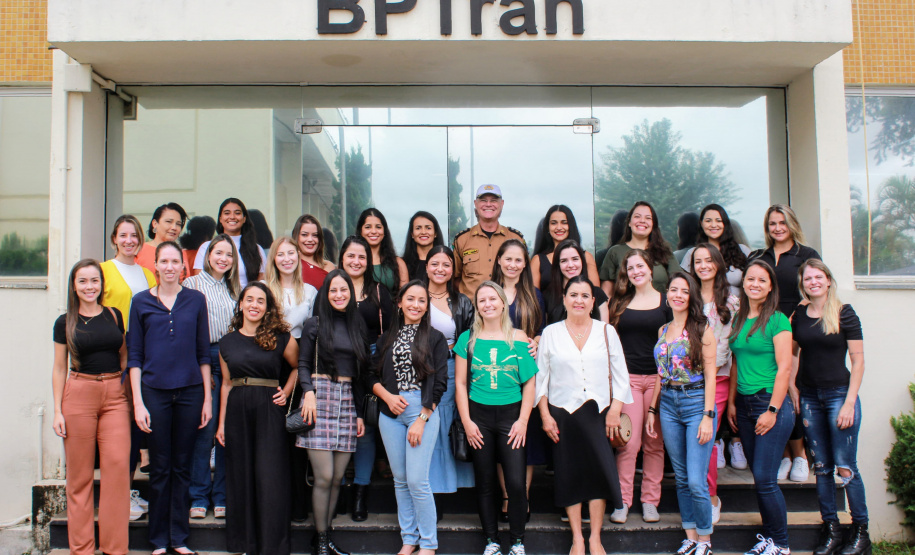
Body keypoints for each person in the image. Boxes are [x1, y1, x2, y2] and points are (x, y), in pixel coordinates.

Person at [536, 275, 632, 555]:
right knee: (569, 474)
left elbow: (620, 375)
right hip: (562, 413)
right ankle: (577, 537)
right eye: (573, 295)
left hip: (599, 413)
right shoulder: (551, 333)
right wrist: (545, 416)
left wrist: (615, 411)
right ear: (564, 299)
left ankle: (595, 538)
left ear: (593, 302)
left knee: (598, 473)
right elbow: (541, 378)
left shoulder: (606, 331)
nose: (579, 300)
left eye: (585, 296)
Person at [127, 241, 212, 555]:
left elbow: (203, 353)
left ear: (183, 266)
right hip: (154, 394)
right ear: (156, 265)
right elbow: (134, 357)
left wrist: (206, 400)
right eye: (164, 261)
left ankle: (179, 538)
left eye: (175, 261)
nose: (169, 267)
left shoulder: (195, 300)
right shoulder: (140, 303)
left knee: (182, 466)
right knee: (160, 467)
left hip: (190, 393)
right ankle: (158, 540)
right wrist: (138, 401)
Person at [52, 259, 131, 555]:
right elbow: (59, 368)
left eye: (94, 280)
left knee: (117, 469)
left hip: (113, 396)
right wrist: (58, 410)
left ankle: (114, 548)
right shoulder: (65, 322)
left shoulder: (114, 315)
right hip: (79, 394)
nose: (89, 287)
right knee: (80, 476)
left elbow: (123, 356)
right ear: (74, 285)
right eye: (83, 281)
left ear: (102, 284)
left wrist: (123, 391)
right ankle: (82, 549)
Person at [792, 260, 870, 555]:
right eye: (807, 278)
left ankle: (861, 533)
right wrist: (793, 388)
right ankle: (831, 531)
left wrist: (849, 402)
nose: (813, 281)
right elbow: (791, 353)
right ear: (803, 284)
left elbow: (858, 360)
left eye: (817, 277)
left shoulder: (844, 313)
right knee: (822, 468)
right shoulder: (799, 314)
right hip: (810, 398)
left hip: (839, 396)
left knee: (845, 467)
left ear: (827, 281)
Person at [455, 281, 538, 555]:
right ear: (476, 307)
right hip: (478, 418)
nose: (488, 304)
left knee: (516, 483)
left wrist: (523, 420)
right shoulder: (468, 339)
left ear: (503, 303)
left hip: (512, 417)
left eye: (493, 299)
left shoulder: (518, 338)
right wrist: (467, 422)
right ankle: (491, 541)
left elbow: (529, 383)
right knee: (486, 481)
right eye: (482, 300)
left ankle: (517, 542)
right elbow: (460, 384)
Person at [216, 282, 299, 555]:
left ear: (267, 307)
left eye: (260, 300)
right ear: (240, 304)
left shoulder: (281, 337)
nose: (254, 304)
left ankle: (272, 546)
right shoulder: (226, 342)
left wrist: (286, 392)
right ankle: (244, 542)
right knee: (241, 475)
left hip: (268, 409)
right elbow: (227, 384)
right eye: (249, 299)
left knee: (270, 475)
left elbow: (299, 368)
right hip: (237, 410)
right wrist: (221, 425)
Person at [371, 280, 450, 555]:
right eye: (411, 299)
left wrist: (421, 418)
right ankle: (409, 540)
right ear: (400, 303)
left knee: (418, 480)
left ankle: (428, 544)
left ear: (427, 307)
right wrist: (388, 397)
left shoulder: (436, 337)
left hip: (421, 409)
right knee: (401, 480)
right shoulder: (387, 338)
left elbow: (440, 381)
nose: (416, 305)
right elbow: (371, 375)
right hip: (390, 412)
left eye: (422, 301)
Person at [297, 270, 370, 555]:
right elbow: (303, 363)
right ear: (325, 294)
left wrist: (361, 413)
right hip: (319, 396)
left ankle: (323, 539)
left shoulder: (357, 324)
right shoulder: (314, 324)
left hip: (348, 400)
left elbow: (361, 373)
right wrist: (308, 392)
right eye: (333, 291)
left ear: (351, 294)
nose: (339, 295)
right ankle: (322, 538)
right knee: (324, 476)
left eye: (344, 290)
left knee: (339, 476)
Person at [645, 272, 718, 555]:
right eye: (673, 290)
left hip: (696, 401)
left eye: (684, 291)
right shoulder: (662, 331)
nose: (677, 295)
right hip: (668, 403)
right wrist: (652, 409)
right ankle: (690, 536)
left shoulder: (702, 329)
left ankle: (705, 540)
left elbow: (711, 376)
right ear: (667, 295)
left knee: (697, 479)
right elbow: (660, 374)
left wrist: (708, 416)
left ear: (691, 297)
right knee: (682, 477)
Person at [726, 260, 794, 555]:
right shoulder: (739, 319)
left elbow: (785, 368)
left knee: (766, 480)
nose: (754, 284)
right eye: (750, 279)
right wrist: (730, 402)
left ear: (770, 287)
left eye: (761, 280)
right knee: (759, 477)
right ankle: (769, 536)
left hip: (769, 402)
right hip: (744, 403)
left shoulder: (778, 320)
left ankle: (781, 544)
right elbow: (737, 362)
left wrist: (773, 410)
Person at [749, 204, 819, 482]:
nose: (777, 228)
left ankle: (800, 455)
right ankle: (785, 457)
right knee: (768, 390)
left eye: (782, 222)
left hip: (791, 327)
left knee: (789, 390)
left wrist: (790, 319)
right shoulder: (760, 256)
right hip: (762, 327)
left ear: (791, 223)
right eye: (772, 224)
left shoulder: (806, 255)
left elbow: (812, 290)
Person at [606, 249, 672, 524]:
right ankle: (622, 501)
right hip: (629, 380)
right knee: (628, 443)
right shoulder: (620, 303)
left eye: (640, 266)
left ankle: (650, 502)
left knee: (654, 443)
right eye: (630, 268)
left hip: (659, 380)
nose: (636, 271)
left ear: (650, 267)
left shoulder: (667, 302)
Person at [99, 214, 157, 520]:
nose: (129, 240)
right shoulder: (103, 271)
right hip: (114, 358)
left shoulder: (148, 275)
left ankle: (128, 489)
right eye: (123, 235)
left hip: (144, 357)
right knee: (119, 430)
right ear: (114, 239)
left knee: (137, 430)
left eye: (134, 235)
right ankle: (119, 495)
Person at [182, 234, 241, 519]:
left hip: (228, 359)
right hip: (201, 358)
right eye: (219, 253)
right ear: (208, 256)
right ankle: (198, 496)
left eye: (229, 254)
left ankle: (221, 495)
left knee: (225, 432)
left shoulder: (235, 290)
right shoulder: (191, 284)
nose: (223, 259)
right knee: (204, 431)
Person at [338, 235, 395, 520]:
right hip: (338, 364)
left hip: (371, 363)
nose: (356, 261)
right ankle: (334, 490)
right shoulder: (333, 288)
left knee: (366, 428)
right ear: (342, 258)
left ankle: (360, 492)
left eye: (362, 257)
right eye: (351, 256)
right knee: (339, 423)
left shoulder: (379, 291)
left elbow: (392, 330)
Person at [491, 239, 545, 522]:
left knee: (527, 438)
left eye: (518, 260)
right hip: (496, 375)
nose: (513, 264)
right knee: (503, 438)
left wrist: (536, 340)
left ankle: (521, 495)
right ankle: (507, 496)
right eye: (508, 259)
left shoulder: (533, 294)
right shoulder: (488, 293)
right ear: (499, 260)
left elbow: (541, 330)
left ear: (525, 264)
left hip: (525, 375)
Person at [689, 243, 741, 522]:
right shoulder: (688, 297)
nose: (704, 265)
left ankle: (710, 496)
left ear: (718, 264)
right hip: (687, 380)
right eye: (698, 261)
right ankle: (695, 495)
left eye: (709, 260)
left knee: (704, 438)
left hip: (717, 378)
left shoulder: (731, 302)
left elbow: (726, 346)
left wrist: (707, 369)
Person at [424, 246, 476, 497]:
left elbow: (470, 337)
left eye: (446, 265)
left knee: (449, 422)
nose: (440, 269)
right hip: (421, 369)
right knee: (428, 422)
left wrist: (456, 346)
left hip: (453, 367)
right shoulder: (416, 296)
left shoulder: (462, 301)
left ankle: (456, 483)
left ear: (453, 271)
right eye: (435, 263)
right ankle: (433, 486)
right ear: (426, 267)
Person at [452, 184, 524, 297]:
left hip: (506, 309)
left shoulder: (515, 239)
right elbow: (454, 278)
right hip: (471, 311)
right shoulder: (462, 240)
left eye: (494, 200)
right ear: (476, 204)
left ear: (502, 204)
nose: (488, 204)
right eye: (483, 200)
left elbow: (525, 276)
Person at [600, 202, 681, 297]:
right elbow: (607, 292)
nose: (642, 221)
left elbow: (678, 284)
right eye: (637, 216)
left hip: (660, 310)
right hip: (623, 310)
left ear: (653, 224)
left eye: (648, 218)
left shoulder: (664, 252)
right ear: (629, 222)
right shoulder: (615, 252)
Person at [194, 198, 267, 288]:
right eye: (227, 213)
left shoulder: (256, 249)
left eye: (237, 213)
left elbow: (261, 283)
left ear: (244, 219)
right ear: (220, 219)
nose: (232, 217)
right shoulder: (206, 247)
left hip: (246, 300)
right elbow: (198, 282)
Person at [680, 205, 750, 293]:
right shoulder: (692, 253)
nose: (713, 225)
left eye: (719, 220)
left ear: (725, 223)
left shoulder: (742, 250)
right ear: (701, 224)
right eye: (708, 221)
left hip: (739, 305)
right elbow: (685, 286)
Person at [530, 205, 599, 291]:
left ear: (571, 225)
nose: (559, 227)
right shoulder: (538, 260)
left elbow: (596, 293)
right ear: (547, 227)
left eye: (564, 222)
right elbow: (533, 297)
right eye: (554, 223)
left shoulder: (586, 257)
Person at [265, 236, 319, 338]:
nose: (287, 259)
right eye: (280, 255)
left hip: (300, 348)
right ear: (274, 259)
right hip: (270, 347)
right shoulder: (264, 288)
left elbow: (312, 328)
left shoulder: (310, 291)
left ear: (298, 255)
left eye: (291, 253)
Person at [546, 239, 609, 324]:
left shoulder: (598, 293)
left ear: (582, 261)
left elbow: (605, 331)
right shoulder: (548, 295)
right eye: (564, 261)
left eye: (575, 259)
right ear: (558, 265)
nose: (571, 265)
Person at [356, 208, 409, 294]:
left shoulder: (398, 263)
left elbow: (405, 297)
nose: (373, 231)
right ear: (360, 231)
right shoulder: (354, 262)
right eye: (368, 227)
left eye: (378, 227)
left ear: (384, 231)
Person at [137, 203, 189, 274]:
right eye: (169, 222)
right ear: (155, 223)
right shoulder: (139, 251)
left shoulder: (182, 253)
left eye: (178, 224)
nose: (174, 227)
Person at [293, 214, 337, 290]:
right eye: (304, 235)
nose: (310, 239)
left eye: (315, 235)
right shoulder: (290, 265)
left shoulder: (329, 267)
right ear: (296, 236)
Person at [403, 211, 445, 281]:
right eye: (418, 228)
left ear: (435, 233)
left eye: (428, 228)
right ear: (412, 234)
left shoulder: (446, 262)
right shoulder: (403, 264)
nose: (423, 232)